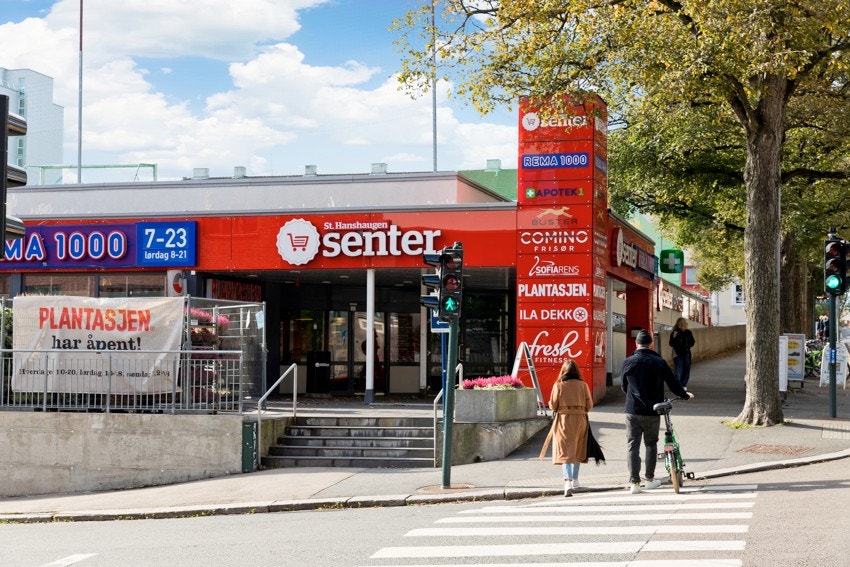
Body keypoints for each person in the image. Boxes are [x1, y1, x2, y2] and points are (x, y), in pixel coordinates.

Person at [622, 329, 693, 494]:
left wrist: (633, 397)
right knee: (651, 444)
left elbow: (624, 387)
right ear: (651, 344)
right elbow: (673, 383)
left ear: (636, 343)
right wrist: (685, 395)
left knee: (633, 445)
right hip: (653, 410)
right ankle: (650, 479)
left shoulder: (628, 362)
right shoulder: (659, 362)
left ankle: (634, 483)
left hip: (632, 410)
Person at [545, 359, 594, 497]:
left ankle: (567, 482)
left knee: (565, 451)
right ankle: (576, 480)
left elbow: (553, 405)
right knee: (578, 449)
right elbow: (589, 405)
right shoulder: (583, 385)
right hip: (580, 419)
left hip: (564, 420)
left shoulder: (558, 385)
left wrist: (551, 404)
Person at [669, 317, 696, 389]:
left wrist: (677, 346)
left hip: (677, 353)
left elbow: (671, 343)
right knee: (686, 369)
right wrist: (687, 346)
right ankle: (684, 385)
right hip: (686, 352)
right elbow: (692, 342)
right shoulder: (688, 332)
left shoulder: (675, 332)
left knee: (678, 369)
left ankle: (677, 385)